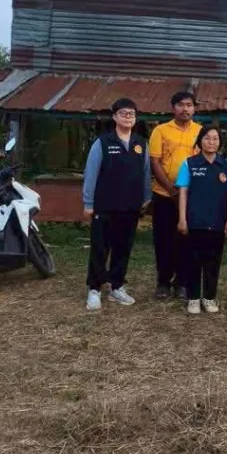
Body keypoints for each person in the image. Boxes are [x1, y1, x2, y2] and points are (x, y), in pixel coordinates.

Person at [82, 98, 151, 311]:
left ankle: (116, 286)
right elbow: (91, 173)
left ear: (135, 118)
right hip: (105, 205)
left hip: (130, 206)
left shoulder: (141, 143)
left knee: (123, 248)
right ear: (115, 117)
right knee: (100, 248)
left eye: (131, 114)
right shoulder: (102, 142)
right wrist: (88, 203)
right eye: (123, 113)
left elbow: (146, 172)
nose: (128, 117)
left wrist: (146, 197)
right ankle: (94, 288)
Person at [176, 126, 227, 315]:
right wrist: (182, 218)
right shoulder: (189, 164)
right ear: (200, 141)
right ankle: (193, 298)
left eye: (215, 139)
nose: (211, 142)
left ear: (220, 142)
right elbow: (183, 191)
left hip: (217, 221)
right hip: (194, 221)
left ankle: (209, 297)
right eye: (207, 138)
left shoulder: (225, 165)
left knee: (213, 261)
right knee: (193, 260)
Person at [148, 91, 202, 300]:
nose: (185, 109)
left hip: (191, 196)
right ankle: (163, 283)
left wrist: (186, 191)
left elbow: (202, 162)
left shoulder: (200, 131)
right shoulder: (160, 130)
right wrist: (171, 190)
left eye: (189, 105)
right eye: (180, 105)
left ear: (194, 108)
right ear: (173, 108)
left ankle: (182, 283)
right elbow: (155, 161)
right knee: (164, 239)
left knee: (186, 240)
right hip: (164, 194)